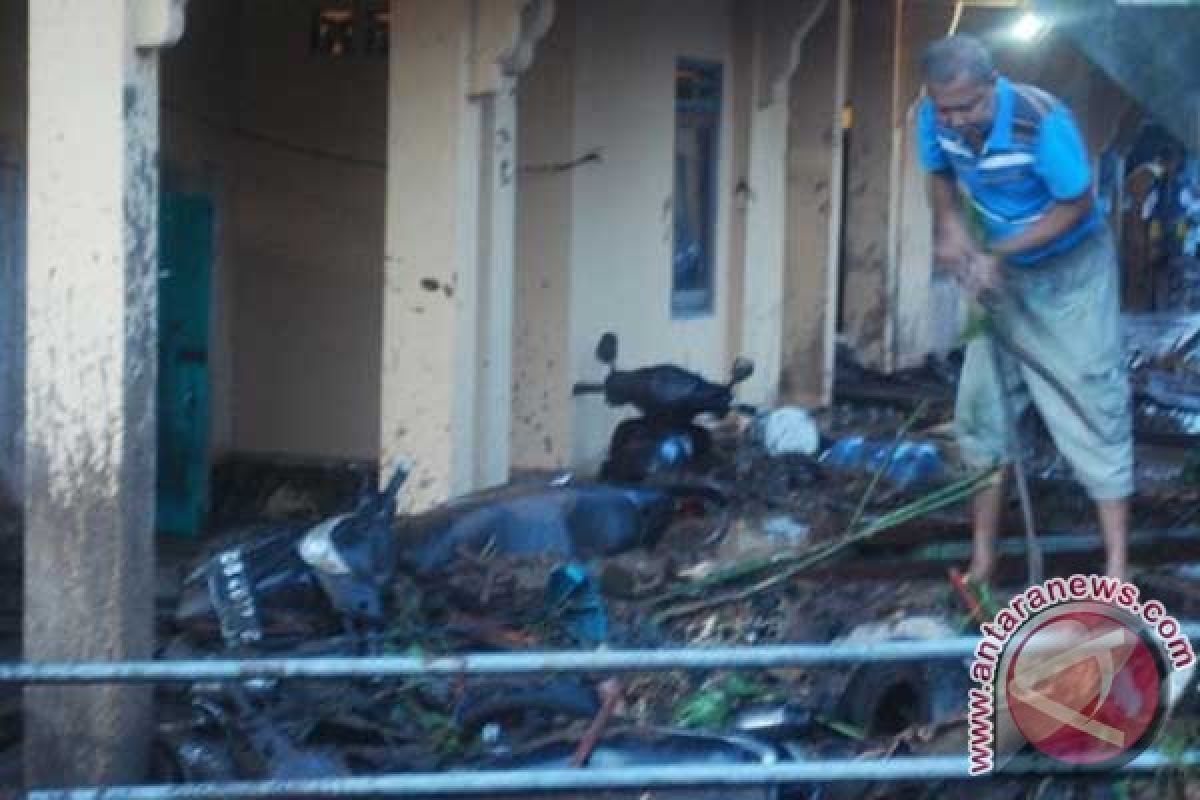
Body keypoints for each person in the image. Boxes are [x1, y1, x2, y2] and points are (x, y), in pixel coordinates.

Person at [916, 35, 1133, 582]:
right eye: (947, 109)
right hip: (1003, 273)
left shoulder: (1042, 121)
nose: (959, 120)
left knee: (1092, 402)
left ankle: (1117, 568)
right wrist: (949, 228)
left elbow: (1078, 203)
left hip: (1071, 274)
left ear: (994, 86)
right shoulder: (934, 116)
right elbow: (938, 171)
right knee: (983, 412)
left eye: (969, 106)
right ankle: (983, 560)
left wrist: (998, 252)